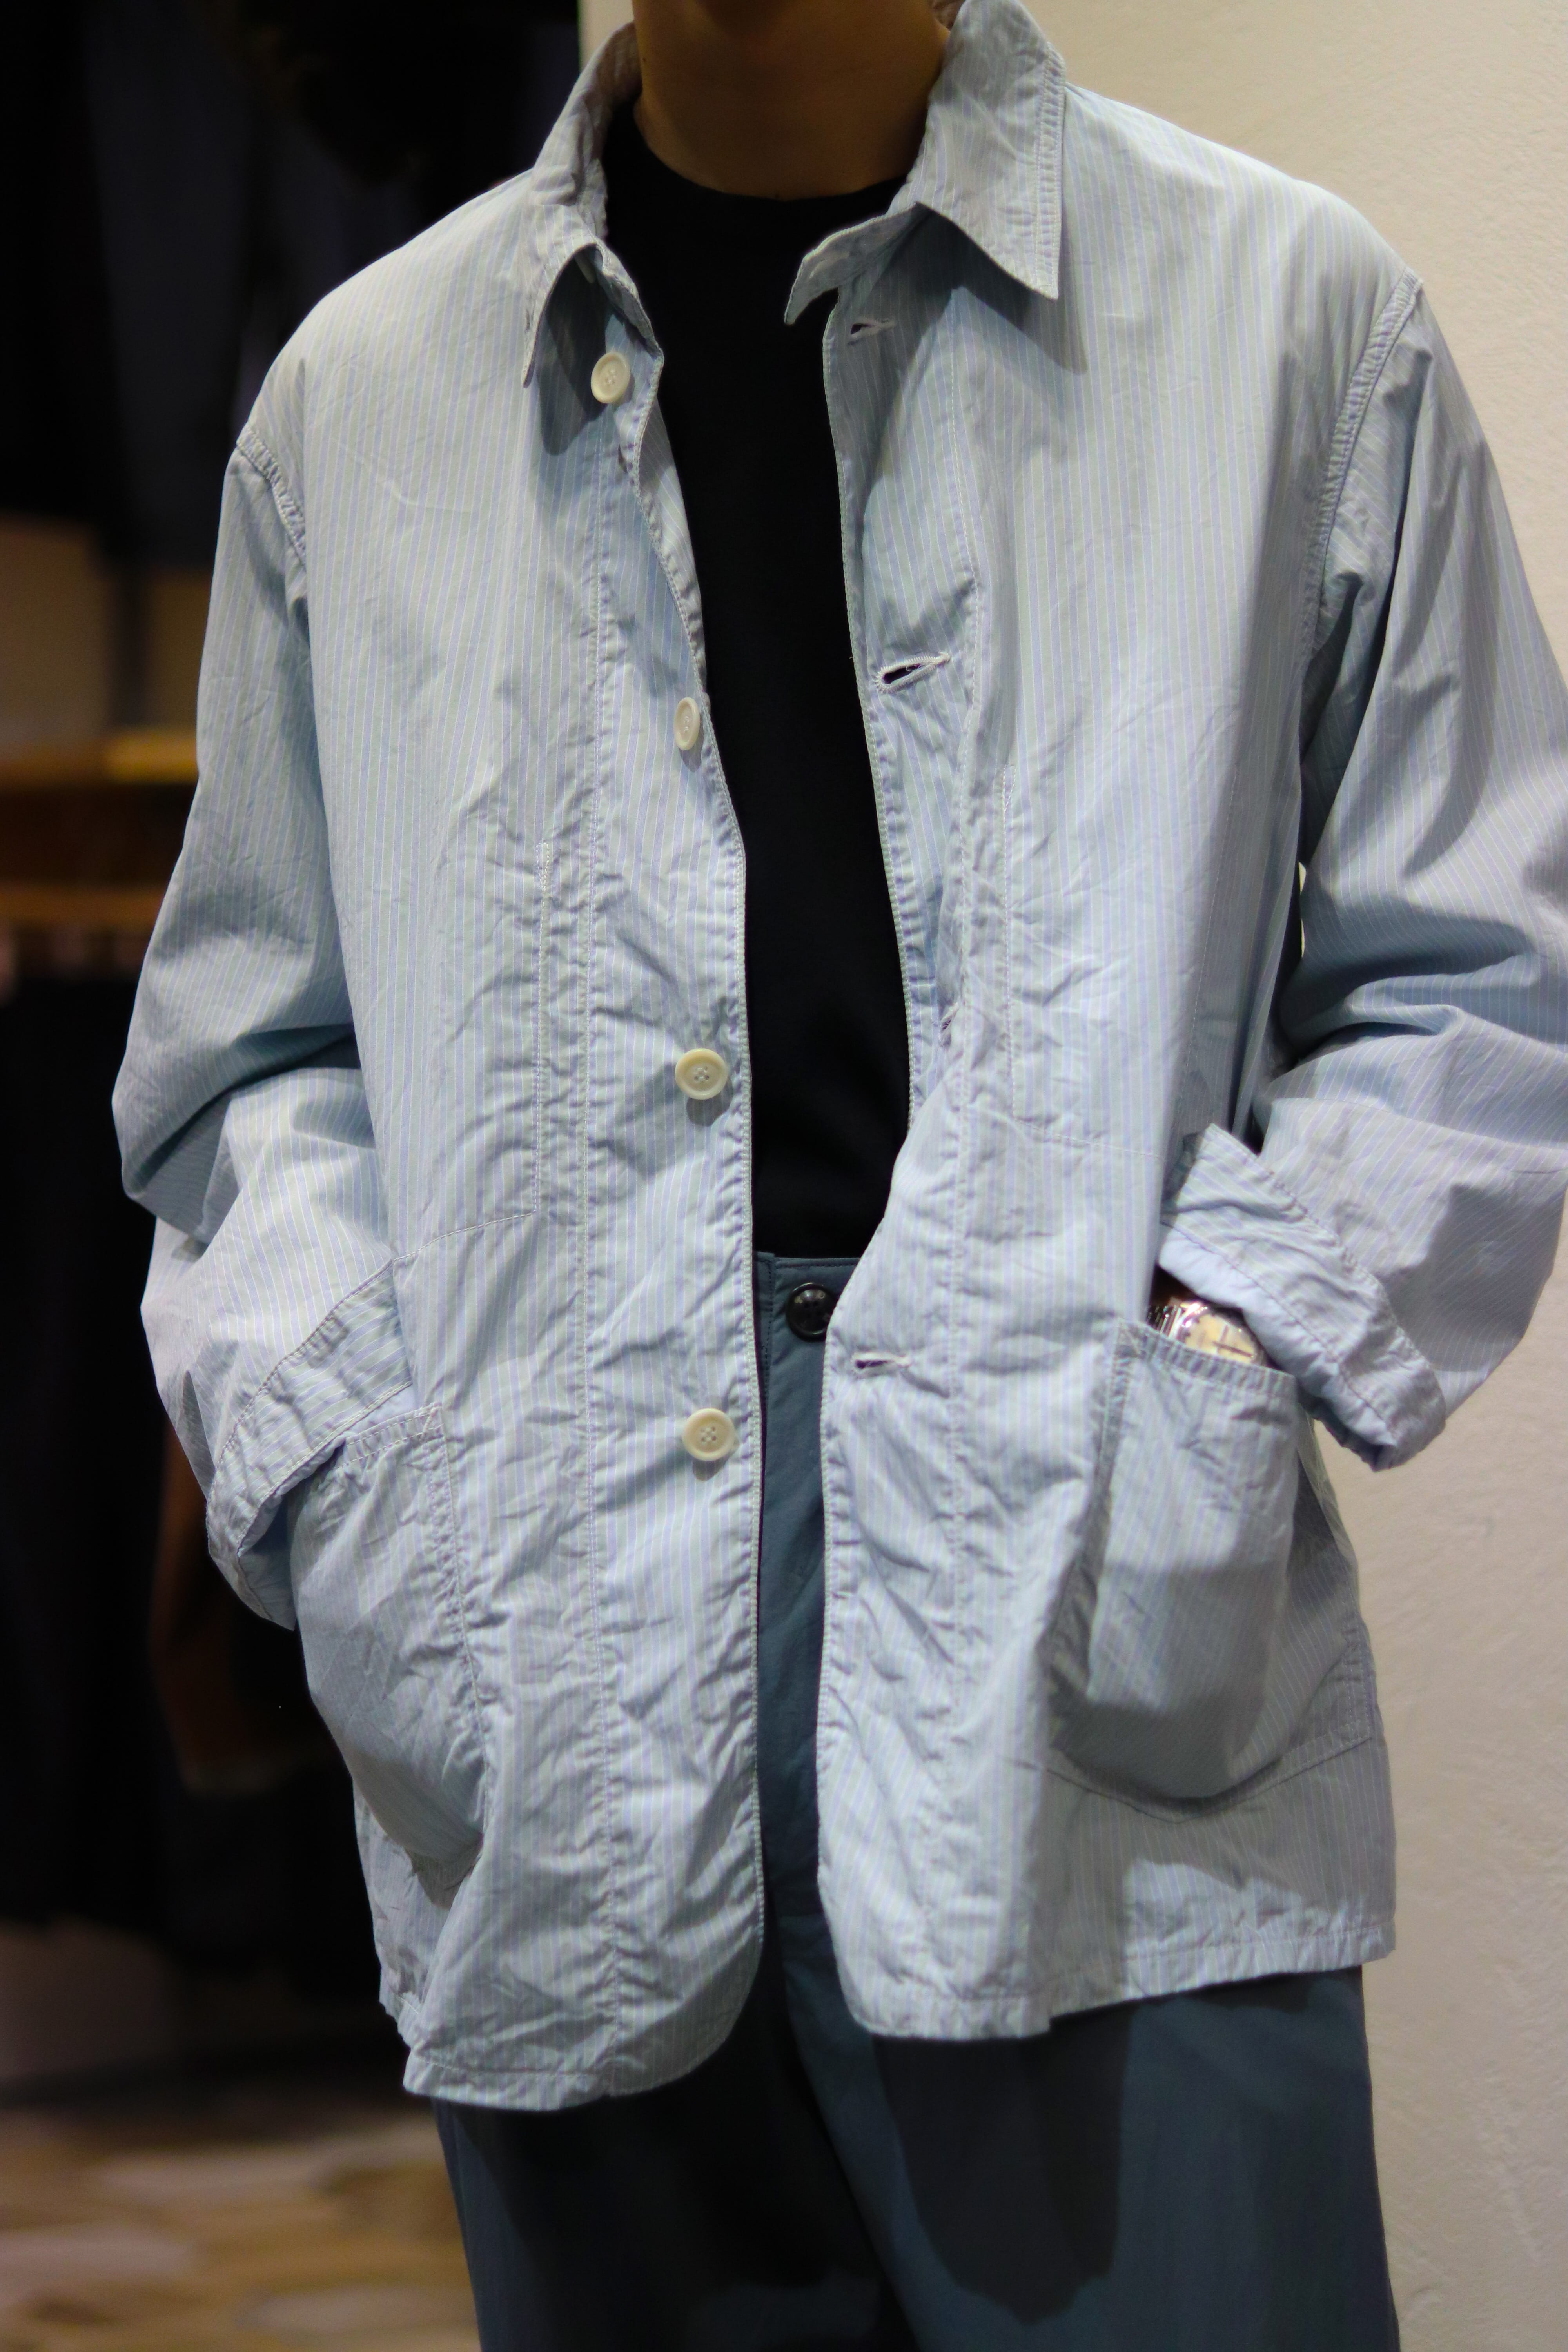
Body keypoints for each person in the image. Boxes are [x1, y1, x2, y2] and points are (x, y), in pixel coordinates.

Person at [114, 0, 1568, 2341]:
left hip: (1084, 1605)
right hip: (553, 1630)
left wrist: (1230, 1345)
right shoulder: (362, 402)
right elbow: (250, 1069)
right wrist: (372, 1481)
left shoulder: (1288, 320)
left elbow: (1479, 971)